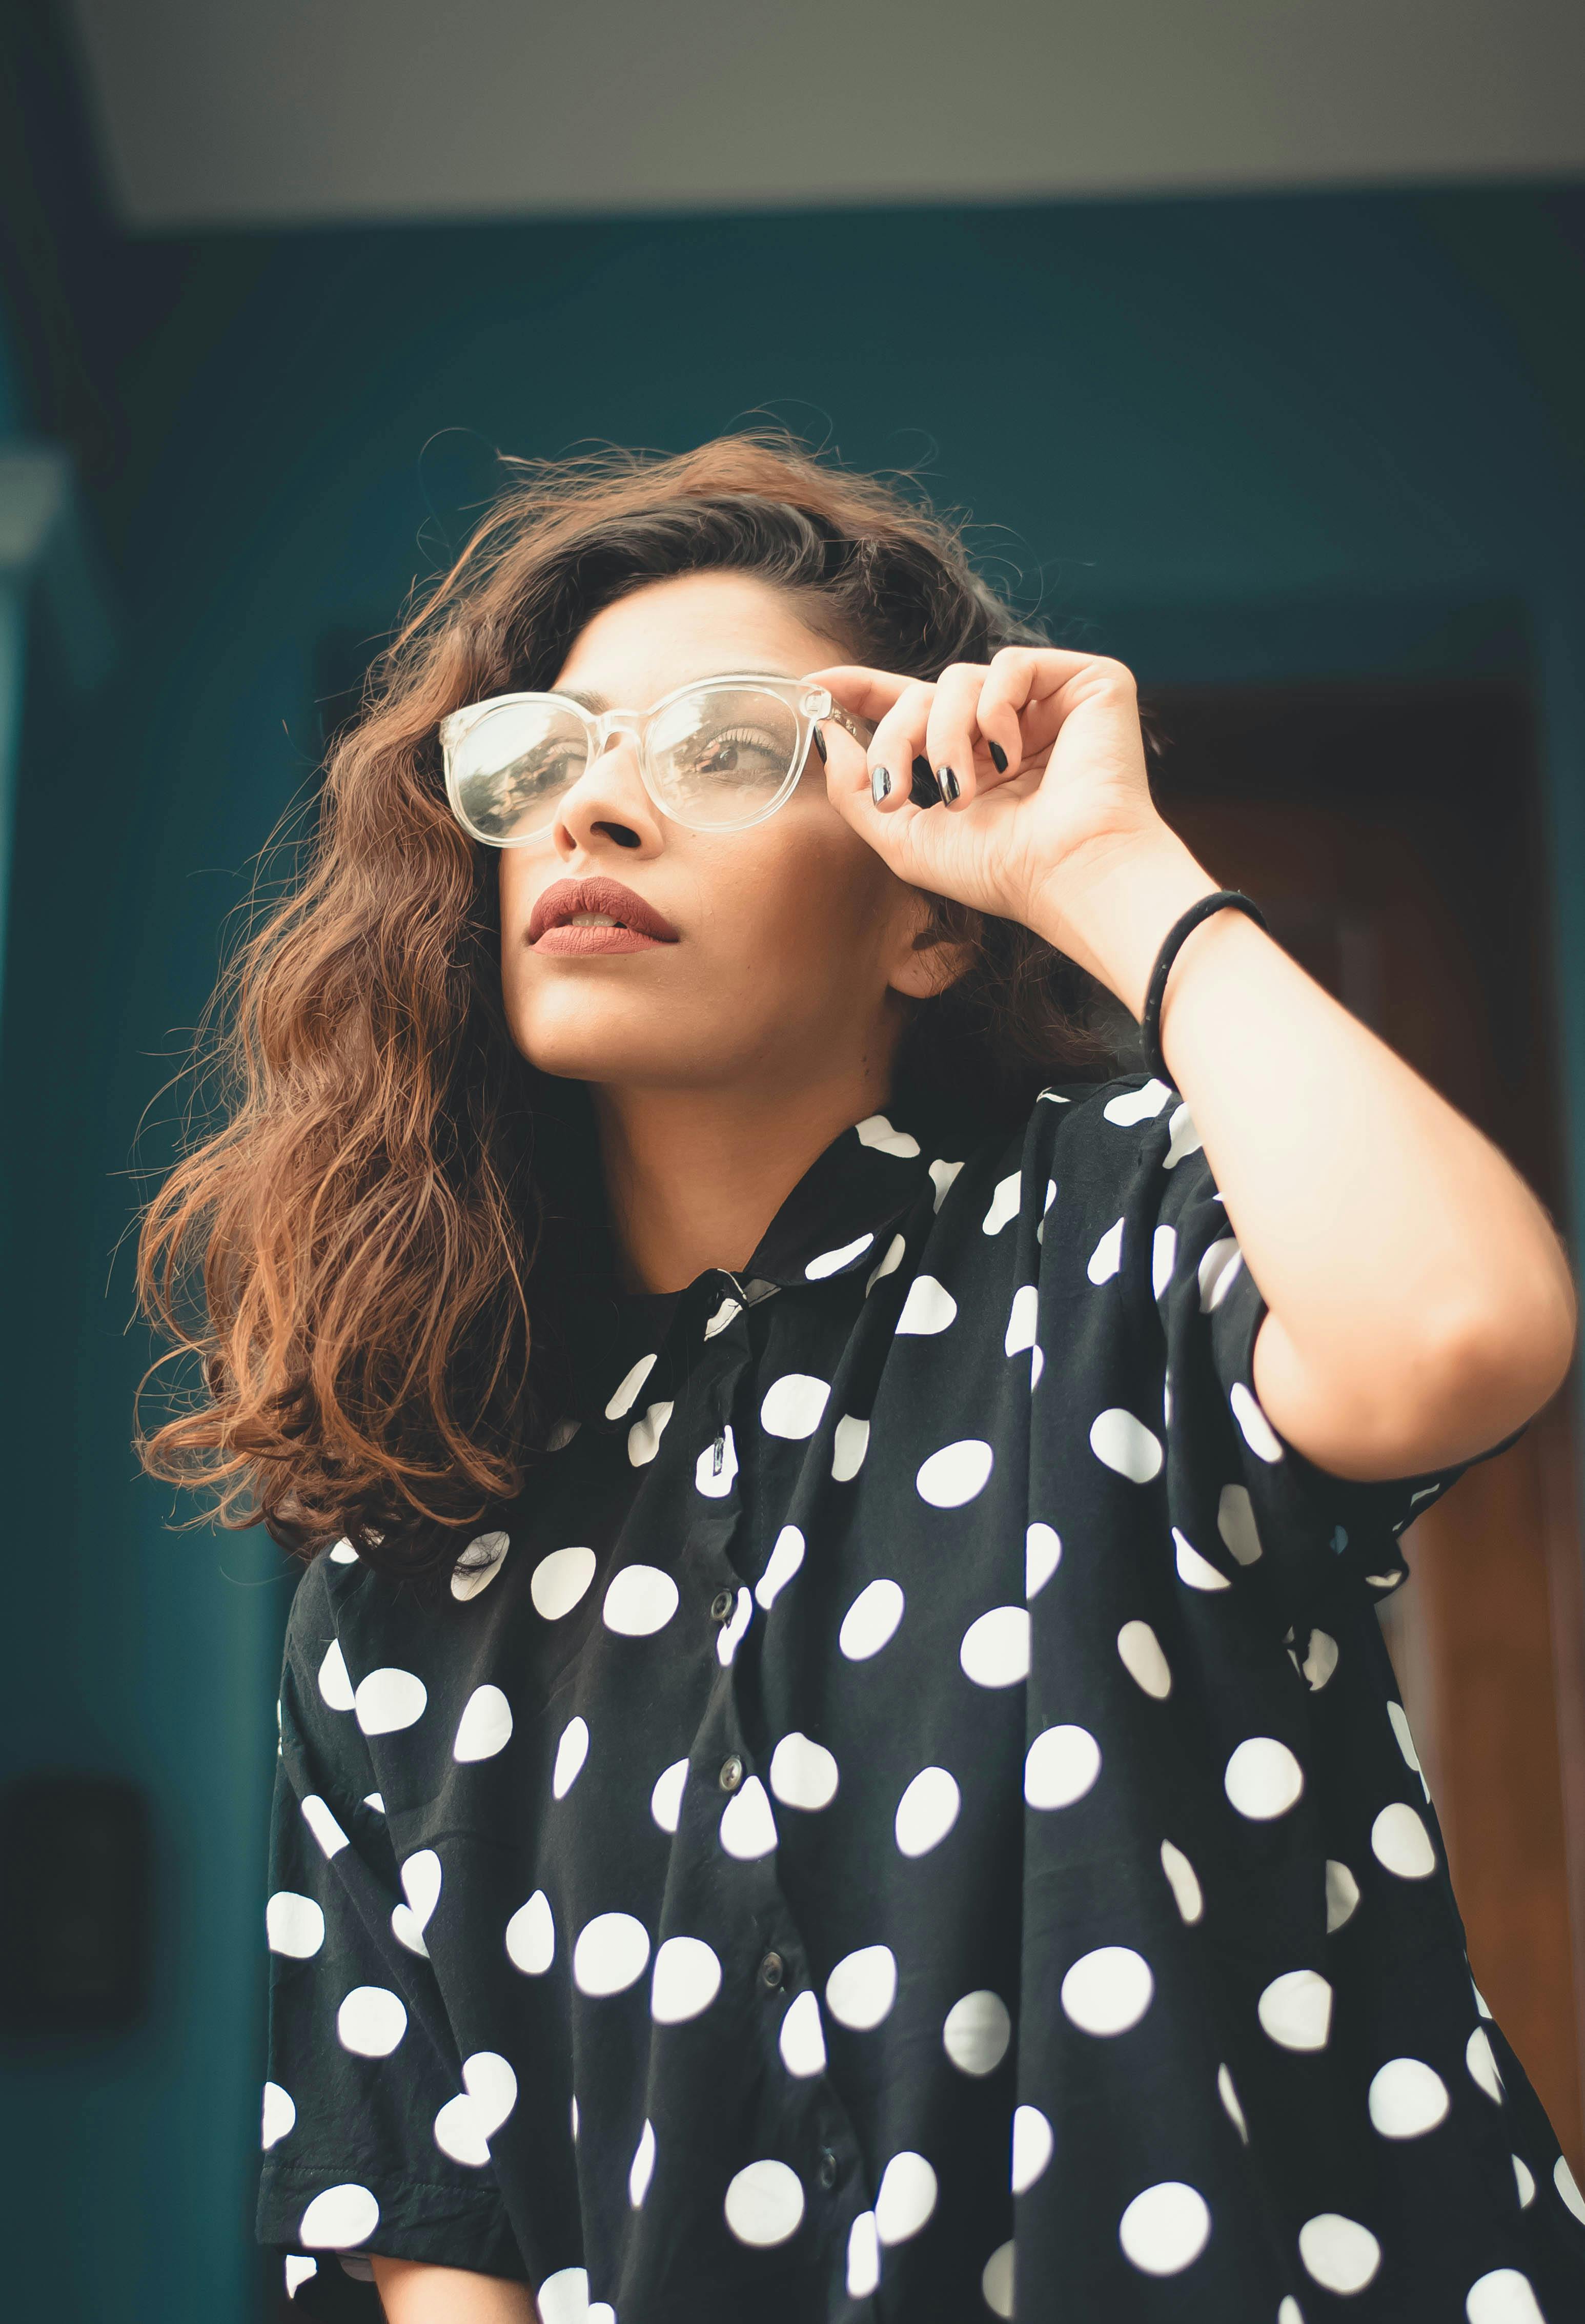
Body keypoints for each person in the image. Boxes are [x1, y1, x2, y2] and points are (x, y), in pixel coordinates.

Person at [136, 432, 1585, 2324]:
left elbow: (1453, 1335)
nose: (596, 816)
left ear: (921, 911)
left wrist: (1104, 868)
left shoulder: (1116, 1234)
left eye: (722, 750)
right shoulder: (403, 1573)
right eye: (543, 764)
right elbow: (435, 2236)